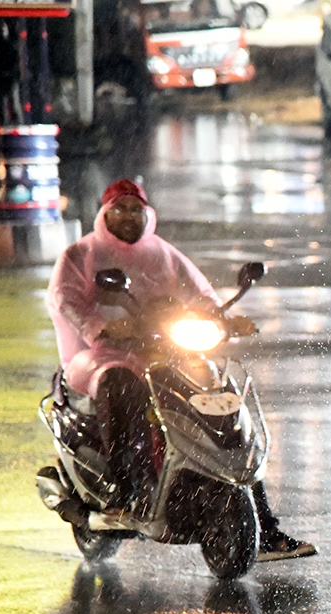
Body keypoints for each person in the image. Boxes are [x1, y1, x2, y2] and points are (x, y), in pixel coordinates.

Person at [44, 179, 316, 562]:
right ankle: (129, 487)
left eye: (135, 209)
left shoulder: (164, 254)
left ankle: (264, 525)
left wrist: (224, 319)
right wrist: (100, 326)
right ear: (104, 214)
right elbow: (66, 300)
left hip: (164, 350)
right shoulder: (81, 254)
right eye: (119, 208)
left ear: (147, 214)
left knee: (220, 393)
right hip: (103, 353)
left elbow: (200, 294)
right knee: (122, 385)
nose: (128, 216)